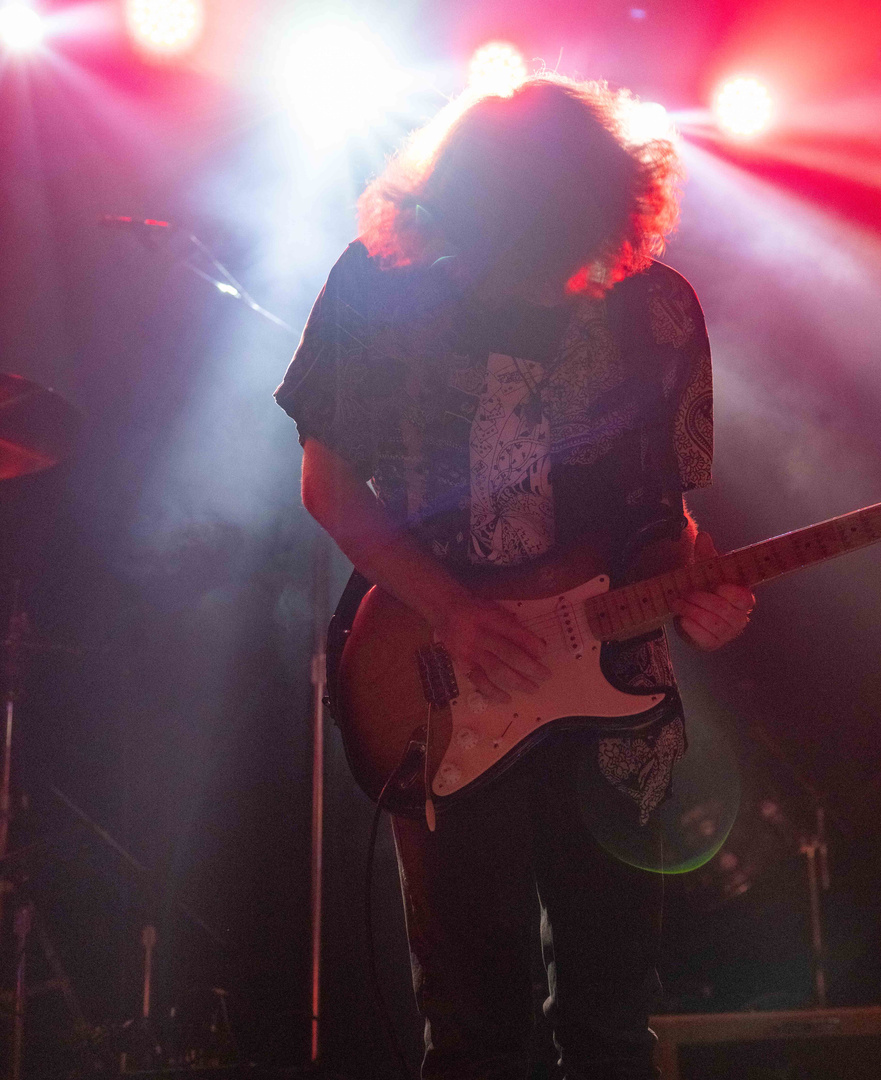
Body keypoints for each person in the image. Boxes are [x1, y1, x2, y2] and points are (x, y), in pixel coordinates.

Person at [275, 75, 755, 1080]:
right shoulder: (379, 287)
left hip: (618, 694)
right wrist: (450, 608)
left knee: (613, 1024)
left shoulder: (660, 310)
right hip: (441, 681)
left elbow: (665, 515)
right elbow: (328, 483)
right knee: (475, 1031)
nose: (551, 283)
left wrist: (701, 589)